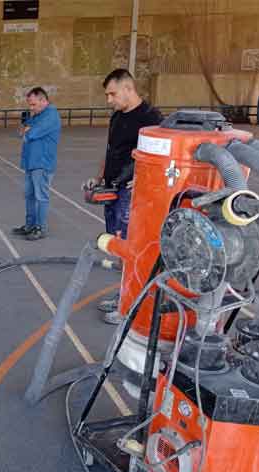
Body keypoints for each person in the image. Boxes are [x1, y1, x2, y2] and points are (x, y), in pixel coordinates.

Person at [85, 69, 163, 324]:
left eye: (112, 94)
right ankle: (124, 296)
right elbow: (110, 151)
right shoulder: (117, 117)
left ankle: (132, 307)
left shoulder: (152, 119)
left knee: (133, 250)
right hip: (112, 190)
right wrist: (99, 178)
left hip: (133, 195)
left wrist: (141, 180)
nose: (109, 100)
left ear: (129, 89)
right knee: (119, 248)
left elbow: (159, 158)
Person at [10, 87, 61, 241]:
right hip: (30, 162)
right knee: (29, 196)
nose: (31, 108)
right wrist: (26, 129)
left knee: (41, 197)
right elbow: (21, 131)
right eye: (29, 105)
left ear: (43, 100)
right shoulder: (37, 115)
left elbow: (32, 133)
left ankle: (41, 228)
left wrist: (27, 130)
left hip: (42, 163)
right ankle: (30, 225)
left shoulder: (51, 115)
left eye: (33, 104)